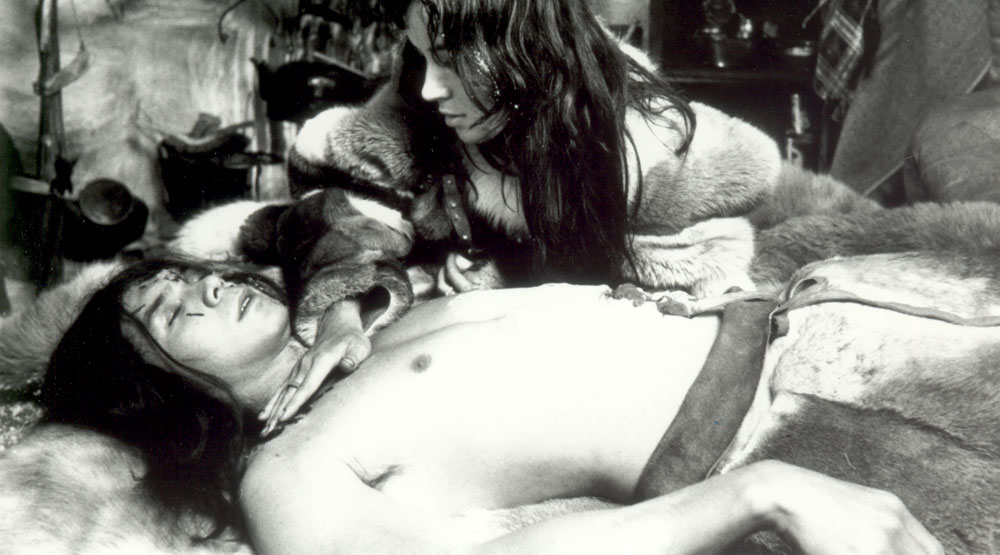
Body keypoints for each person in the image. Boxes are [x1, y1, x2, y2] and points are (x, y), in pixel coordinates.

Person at [39, 257, 942, 555]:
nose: (205, 285)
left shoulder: (355, 325)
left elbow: (320, 217)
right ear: (160, 392)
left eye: (191, 271)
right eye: (171, 311)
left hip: (831, 316)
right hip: (812, 436)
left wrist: (352, 304)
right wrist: (759, 492)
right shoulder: (286, 471)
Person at [288, 0, 832, 301]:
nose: (431, 87)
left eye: (450, 60)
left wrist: (511, 269)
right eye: (423, 55)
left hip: (807, 209)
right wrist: (354, 299)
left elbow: (753, 177)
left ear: (524, 53)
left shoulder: (650, 151)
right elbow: (319, 175)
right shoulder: (419, 99)